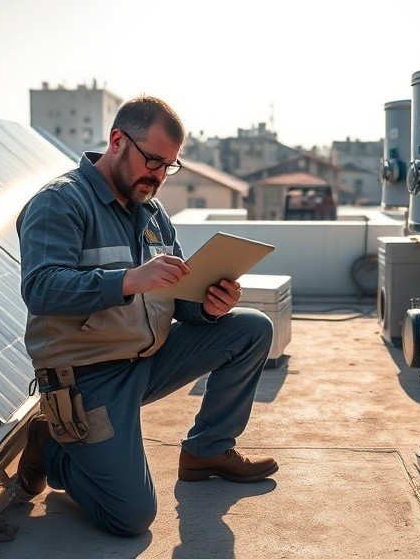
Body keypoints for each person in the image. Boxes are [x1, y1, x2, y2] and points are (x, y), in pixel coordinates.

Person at [15, 95, 278, 536]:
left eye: (168, 166)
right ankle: (53, 448)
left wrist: (208, 306)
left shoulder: (152, 213)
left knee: (252, 328)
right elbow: (41, 289)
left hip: (149, 359)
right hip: (89, 376)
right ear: (117, 141)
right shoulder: (60, 203)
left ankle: (207, 450)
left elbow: (175, 296)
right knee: (132, 518)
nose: (158, 176)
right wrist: (128, 280)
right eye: (153, 160)